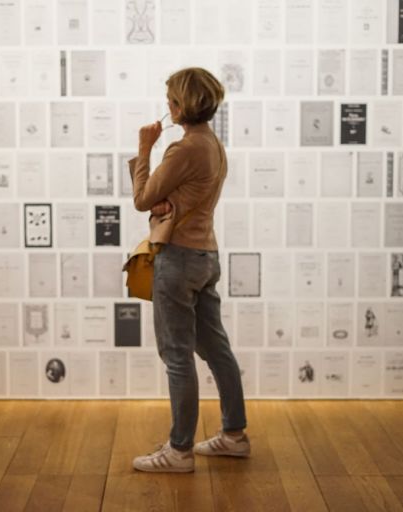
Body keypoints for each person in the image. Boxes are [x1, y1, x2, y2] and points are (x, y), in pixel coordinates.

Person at [127, 67, 249, 473]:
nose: (168, 104)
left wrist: (144, 149)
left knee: (177, 356)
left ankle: (179, 451)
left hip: (178, 258)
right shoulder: (212, 144)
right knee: (216, 350)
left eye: (171, 99)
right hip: (204, 256)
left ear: (183, 104)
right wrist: (170, 202)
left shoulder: (183, 149)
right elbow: (180, 198)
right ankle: (234, 435)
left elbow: (142, 199)